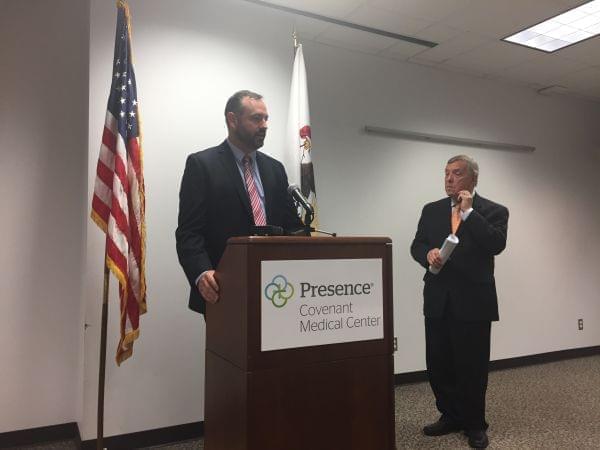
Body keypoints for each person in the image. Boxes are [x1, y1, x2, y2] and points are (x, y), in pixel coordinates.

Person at [410, 155, 508, 449]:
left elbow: (496, 244)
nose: (449, 179)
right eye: (446, 173)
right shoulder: (431, 210)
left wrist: (468, 214)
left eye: (457, 174)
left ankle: (475, 424)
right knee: (439, 364)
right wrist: (426, 255)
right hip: (439, 299)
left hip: (474, 302)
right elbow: (417, 245)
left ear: (473, 179)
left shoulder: (493, 211)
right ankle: (450, 415)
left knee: (472, 367)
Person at [176, 90, 302, 314]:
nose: (264, 125)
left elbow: (293, 227)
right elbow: (189, 233)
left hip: (279, 287)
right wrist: (202, 273)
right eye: (256, 118)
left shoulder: (275, 169)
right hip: (225, 290)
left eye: (266, 118)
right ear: (232, 120)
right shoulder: (202, 165)